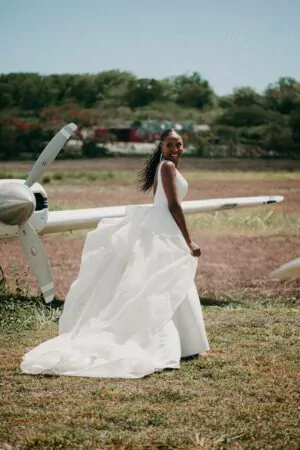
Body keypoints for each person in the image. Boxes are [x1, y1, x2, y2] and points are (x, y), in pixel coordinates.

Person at [21, 129, 209, 379]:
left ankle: (189, 345)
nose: (176, 149)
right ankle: (176, 344)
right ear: (161, 146)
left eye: (179, 144)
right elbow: (173, 205)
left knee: (170, 282)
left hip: (163, 226)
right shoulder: (167, 168)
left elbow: (161, 203)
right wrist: (188, 239)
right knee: (165, 284)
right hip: (165, 228)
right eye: (170, 145)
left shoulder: (164, 167)